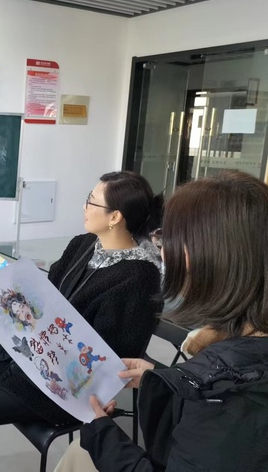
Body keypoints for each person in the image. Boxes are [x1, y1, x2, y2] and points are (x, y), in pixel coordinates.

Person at [0, 171, 164, 471]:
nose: (84, 207)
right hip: (33, 349)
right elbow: (44, 294)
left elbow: (113, 355)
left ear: (115, 217)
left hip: (64, 383)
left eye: (91, 201)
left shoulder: (140, 277)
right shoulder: (83, 244)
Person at [55, 170, 268, 471]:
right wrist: (160, 379)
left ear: (211, 257)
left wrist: (100, 431)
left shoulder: (230, 392)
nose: (164, 253)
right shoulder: (236, 361)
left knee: (79, 453)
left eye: (170, 239)